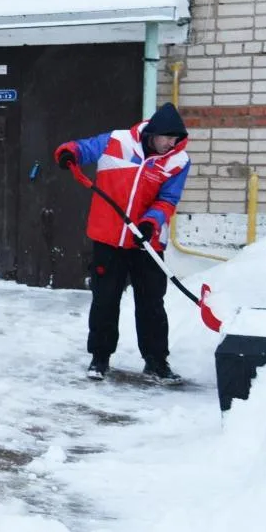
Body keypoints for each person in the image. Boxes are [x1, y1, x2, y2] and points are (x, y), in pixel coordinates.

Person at [54, 102, 190, 383]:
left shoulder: (178, 161)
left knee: (151, 302)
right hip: (109, 237)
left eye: (175, 140)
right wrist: (69, 152)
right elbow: (84, 147)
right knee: (105, 300)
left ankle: (156, 361)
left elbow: (168, 199)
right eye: (166, 138)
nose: (170, 144)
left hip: (147, 242)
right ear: (152, 133)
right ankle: (100, 358)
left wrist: (150, 222)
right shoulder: (117, 141)